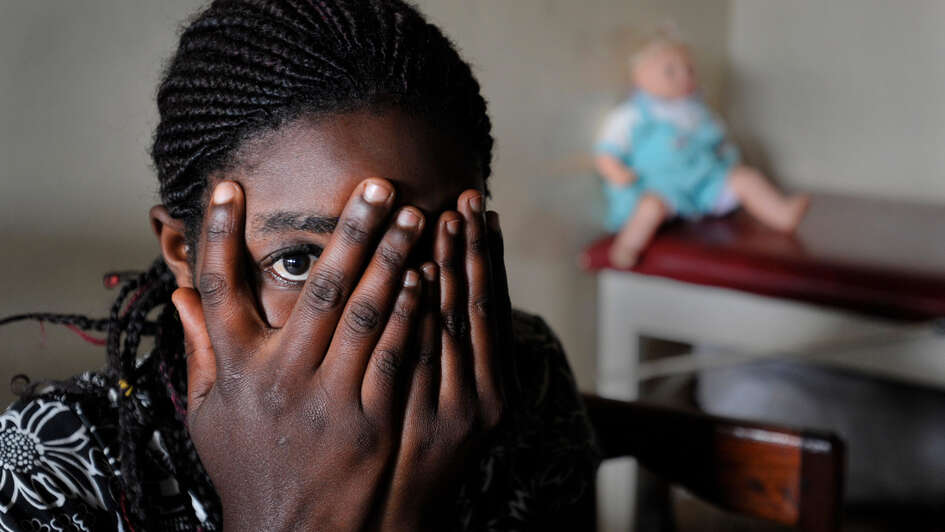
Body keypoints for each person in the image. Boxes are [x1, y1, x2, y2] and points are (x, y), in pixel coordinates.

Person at [0, 1, 599, 530]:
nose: (381, 310)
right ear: (186, 254)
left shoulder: (529, 376)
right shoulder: (53, 464)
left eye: (425, 250)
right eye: (299, 260)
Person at [595, 37, 810, 267]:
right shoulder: (632, 114)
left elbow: (719, 141)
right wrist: (615, 171)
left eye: (689, 70)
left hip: (704, 181)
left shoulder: (698, 111)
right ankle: (627, 247)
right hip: (661, 186)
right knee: (649, 207)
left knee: (746, 178)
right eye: (670, 71)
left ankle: (782, 214)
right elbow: (608, 149)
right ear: (639, 77)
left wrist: (729, 161)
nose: (684, 77)